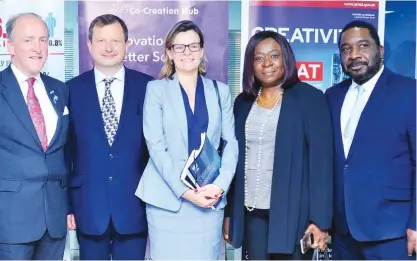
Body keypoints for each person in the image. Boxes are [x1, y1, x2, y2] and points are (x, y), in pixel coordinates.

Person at [223, 30, 333, 260]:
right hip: (252, 213)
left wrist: (321, 221)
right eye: (258, 58)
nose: (267, 64)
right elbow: (233, 161)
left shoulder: (309, 99)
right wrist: (230, 213)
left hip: (294, 216)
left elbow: (321, 164)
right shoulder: (242, 103)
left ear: (286, 58)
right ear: (250, 64)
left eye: (274, 56)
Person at [135, 20, 238, 260]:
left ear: (202, 50)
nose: (187, 52)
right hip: (168, 200)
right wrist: (186, 192)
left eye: (193, 46)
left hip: (208, 197)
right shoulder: (156, 90)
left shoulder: (220, 90)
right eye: (179, 47)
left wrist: (219, 186)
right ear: (169, 52)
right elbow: (156, 148)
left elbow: (231, 143)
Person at [325, 20, 416, 260]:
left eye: (362, 45)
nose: (354, 55)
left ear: (380, 50)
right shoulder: (332, 97)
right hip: (343, 231)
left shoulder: (409, 92)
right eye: (346, 49)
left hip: (392, 231)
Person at [66, 14, 153, 260]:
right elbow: (65, 152)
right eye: (101, 40)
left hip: (135, 205)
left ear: (127, 44)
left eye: (115, 40)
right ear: (89, 44)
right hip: (88, 206)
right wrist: (68, 206)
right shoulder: (70, 90)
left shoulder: (149, 87)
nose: (108, 47)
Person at [0, 13, 69, 260]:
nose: (38, 48)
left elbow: (65, 152)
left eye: (43, 40)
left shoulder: (60, 89)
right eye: (28, 40)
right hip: (10, 220)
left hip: (54, 220)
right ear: (10, 46)